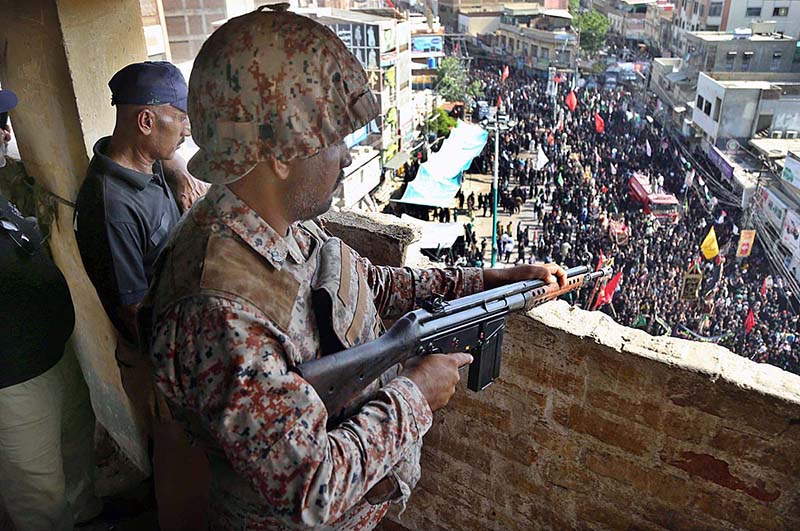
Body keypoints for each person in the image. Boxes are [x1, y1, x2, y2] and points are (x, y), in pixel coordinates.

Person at [138, 7, 565, 530]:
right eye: (334, 139)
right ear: (281, 154)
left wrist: (483, 281)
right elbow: (310, 488)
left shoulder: (269, 220)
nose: (344, 157)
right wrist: (415, 393)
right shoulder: (220, 307)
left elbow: (366, 283)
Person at [73, 62, 208, 529]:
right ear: (146, 121)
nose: (188, 130)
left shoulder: (143, 165)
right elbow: (134, 311)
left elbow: (164, 157)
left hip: (177, 339)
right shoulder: (110, 206)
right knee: (177, 459)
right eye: (181, 117)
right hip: (156, 357)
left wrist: (173, 169)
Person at [1, 88, 101, 528]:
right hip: (14, 382)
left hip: (54, 357)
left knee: (76, 463)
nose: (6, 131)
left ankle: (89, 518)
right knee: (39, 499)